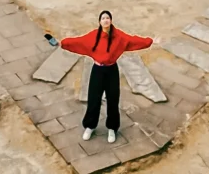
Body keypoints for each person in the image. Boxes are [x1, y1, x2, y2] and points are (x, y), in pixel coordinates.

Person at [45, 10, 153, 143]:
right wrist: (62, 43)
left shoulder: (119, 36)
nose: (106, 20)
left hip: (112, 70)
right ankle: (90, 126)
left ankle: (112, 129)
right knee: (93, 99)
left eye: (108, 18)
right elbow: (78, 42)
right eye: (103, 18)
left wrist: (150, 41)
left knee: (113, 100)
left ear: (111, 20)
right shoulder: (93, 36)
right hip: (97, 71)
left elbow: (133, 40)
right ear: (100, 22)